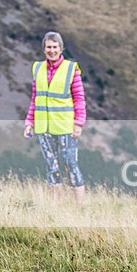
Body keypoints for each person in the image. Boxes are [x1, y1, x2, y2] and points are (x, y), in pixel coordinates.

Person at [23, 31, 86, 204]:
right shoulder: (37, 68)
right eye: (48, 47)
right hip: (44, 127)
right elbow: (35, 98)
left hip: (66, 126)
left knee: (70, 165)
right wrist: (29, 123)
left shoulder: (71, 69)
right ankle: (54, 206)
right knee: (52, 167)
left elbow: (79, 99)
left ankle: (81, 206)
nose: (52, 50)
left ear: (61, 48)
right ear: (44, 49)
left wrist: (78, 123)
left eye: (55, 47)